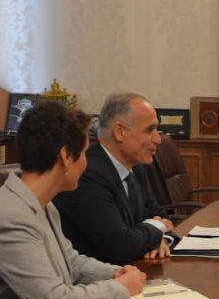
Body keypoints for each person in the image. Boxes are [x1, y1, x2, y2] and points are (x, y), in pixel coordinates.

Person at [0, 100, 146, 299]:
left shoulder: (42, 203)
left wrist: (115, 273)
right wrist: (120, 288)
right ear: (65, 156)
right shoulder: (12, 219)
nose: (86, 163)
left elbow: (70, 262)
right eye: (84, 154)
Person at [55, 92, 176, 265]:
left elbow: (162, 216)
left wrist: (160, 239)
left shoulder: (136, 167)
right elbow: (120, 246)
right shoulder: (87, 173)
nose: (158, 139)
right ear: (120, 132)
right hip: (100, 276)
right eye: (149, 130)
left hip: (135, 269)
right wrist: (157, 229)